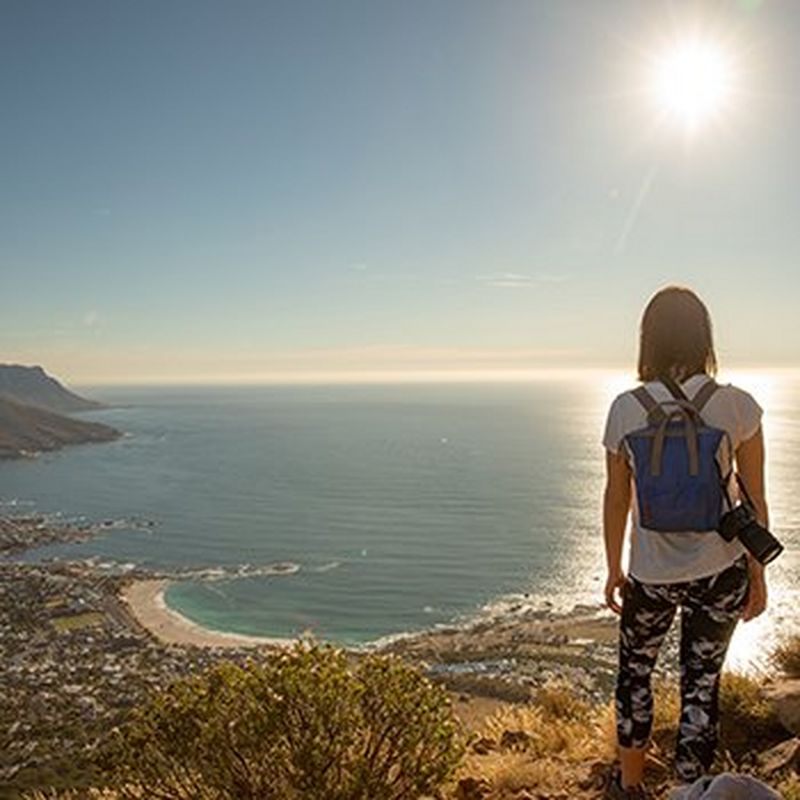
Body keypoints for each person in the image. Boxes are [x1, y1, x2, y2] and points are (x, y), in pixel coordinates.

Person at [601, 286, 769, 799]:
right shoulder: (737, 406)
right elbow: (755, 498)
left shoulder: (626, 409)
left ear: (647, 340)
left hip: (650, 576)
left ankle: (631, 786)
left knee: (635, 673)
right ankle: (691, 790)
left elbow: (616, 499)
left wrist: (614, 569)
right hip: (721, 569)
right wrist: (757, 573)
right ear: (705, 337)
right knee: (700, 682)